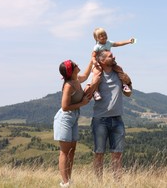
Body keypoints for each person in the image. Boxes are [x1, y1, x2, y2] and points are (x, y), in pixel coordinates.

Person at [91, 50, 132, 181]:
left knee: (117, 155)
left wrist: (128, 81)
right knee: (99, 154)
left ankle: (117, 183)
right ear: (102, 60)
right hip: (100, 120)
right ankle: (98, 183)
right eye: (110, 56)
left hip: (117, 119)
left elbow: (128, 93)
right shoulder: (97, 74)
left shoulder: (119, 73)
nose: (114, 57)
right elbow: (89, 91)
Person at [54, 59, 94, 187]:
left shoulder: (76, 80)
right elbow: (65, 107)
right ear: (71, 71)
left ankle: (68, 180)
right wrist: (82, 104)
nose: (78, 65)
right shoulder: (68, 86)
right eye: (75, 65)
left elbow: (87, 75)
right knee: (65, 152)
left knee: (72, 151)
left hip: (74, 117)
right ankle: (65, 183)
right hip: (65, 119)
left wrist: (92, 60)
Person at [90, 27, 134, 101]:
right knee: (96, 75)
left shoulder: (109, 43)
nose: (104, 36)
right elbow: (93, 56)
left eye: (105, 34)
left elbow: (118, 43)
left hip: (109, 63)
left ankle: (124, 85)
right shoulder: (97, 47)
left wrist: (128, 41)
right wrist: (94, 61)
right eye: (101, 35)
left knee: (119, 69)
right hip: (98, 64)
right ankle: (96, 91)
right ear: (97, 38)